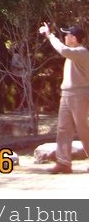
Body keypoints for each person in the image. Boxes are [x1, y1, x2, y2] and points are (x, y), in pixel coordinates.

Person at [38, 22, 89, 174]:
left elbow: (62, 49)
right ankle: (63, 162)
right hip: (67, 94)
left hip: (79, 95)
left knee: (82, 128)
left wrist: (49, 35)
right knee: (63, 129)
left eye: (68, 35)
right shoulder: (73, 52)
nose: (66, 37)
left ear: (74, 38)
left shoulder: (81, 52)